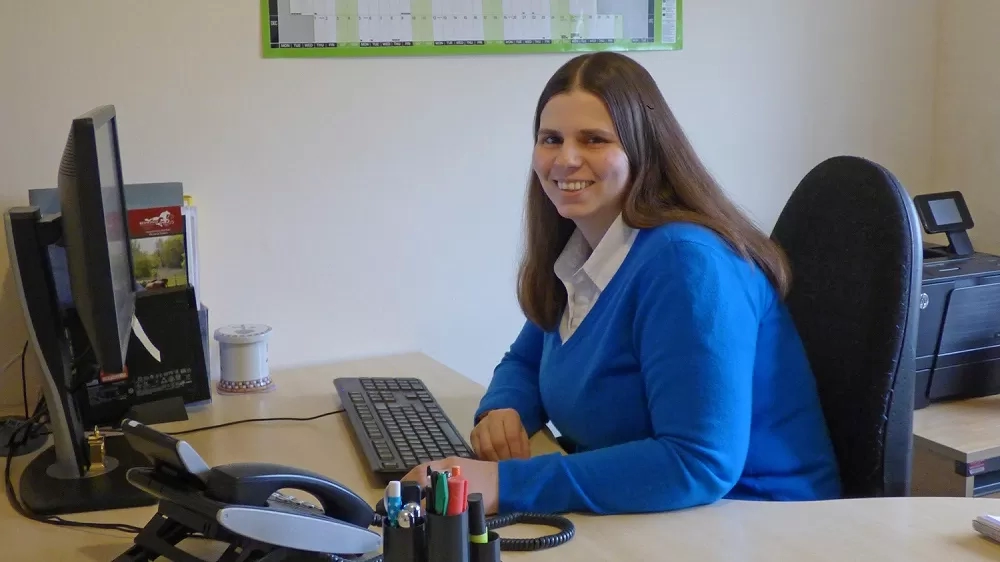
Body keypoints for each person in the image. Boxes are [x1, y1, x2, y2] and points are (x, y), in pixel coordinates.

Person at [402, 51, 842, 516]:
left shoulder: (686, 263)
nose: (566, 159)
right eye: (551, 139)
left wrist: (504, 482)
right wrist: (504, 409)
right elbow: (528, 358)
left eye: (594, 140)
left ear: (643, 150)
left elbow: (696, 462)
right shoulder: (585, 249)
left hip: (754, 520)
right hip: (662, 513)